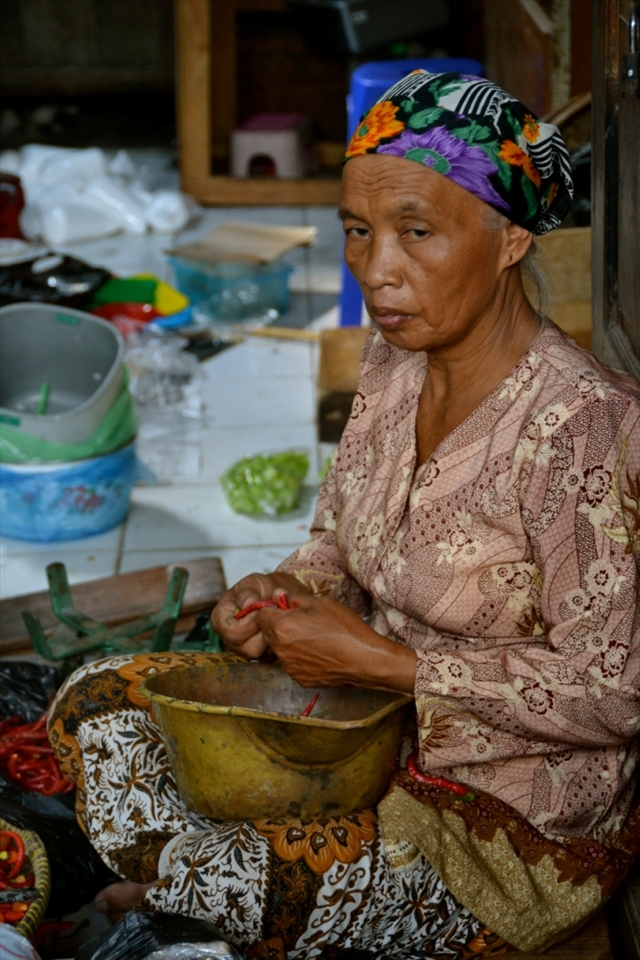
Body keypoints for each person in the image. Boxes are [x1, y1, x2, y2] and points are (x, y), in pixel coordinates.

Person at [49, 71, 640, 959]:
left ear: (510, 237)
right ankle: (198, 884)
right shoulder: (394, 359)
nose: (377, 272)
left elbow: (615, 692)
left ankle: (196, 885)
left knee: (252, 873)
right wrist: (280, 595)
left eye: (416, 233)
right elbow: (335, 536)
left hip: (507, 821)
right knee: (93, 705)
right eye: (359, 233)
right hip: (362, 733)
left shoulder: (586, 426)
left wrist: (393, 666)